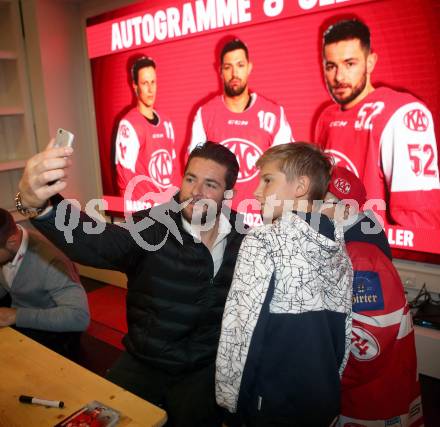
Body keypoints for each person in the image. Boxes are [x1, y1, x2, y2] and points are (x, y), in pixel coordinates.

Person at [17, 141, 245, 427]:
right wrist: (38, 205)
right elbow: (95, 240)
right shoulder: (151, 227)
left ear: (228, 194)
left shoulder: (243, 238)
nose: (196, 192)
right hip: (145, 361)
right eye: (190, 179)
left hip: (203, 370)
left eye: (210, 184)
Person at [216, 143, 353, 426]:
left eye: (267, 180)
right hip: (323, 398)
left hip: (268, 403)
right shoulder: (339, 248)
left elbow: (240, 331)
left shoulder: (263, 241)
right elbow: (344, 334)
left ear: (301, 186)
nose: (255, 191)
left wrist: (229, 405)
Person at [315, 18, 440, 229]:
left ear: (370, 62)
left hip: (373, 253)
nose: (339, 76)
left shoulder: (401, 112)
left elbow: (420, 220)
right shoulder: (326, 117)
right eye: (331, 66)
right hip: (332, 249)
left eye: (350, 64)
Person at [323, 167, 423, 427]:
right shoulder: (346, 247)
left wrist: (317, 381)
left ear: (346, 211)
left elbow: (367, 349)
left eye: (320, 202)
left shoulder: (363, 260)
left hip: (370, 406)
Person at [189, 38, 294, 226]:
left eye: (240, 65)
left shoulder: (274, 114)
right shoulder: (205, 114)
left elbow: (286, 174)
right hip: (216, 220)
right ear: (220, 70)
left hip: (259, 222)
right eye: (228, 67)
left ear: (249, 67)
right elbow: (195, 171)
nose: (234, 73)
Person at [0, 208, 90, 359]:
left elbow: (79, 317)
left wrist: (15, 316)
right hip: (22, 321)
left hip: (52, 335)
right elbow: (6, 283)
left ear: (12, 242)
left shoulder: (51, 260)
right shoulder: (7, 249)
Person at [114, 56, 177, 203]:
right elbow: (124, 179)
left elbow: (173, 170)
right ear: (135, 86)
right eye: (144, 83)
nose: (150, 89)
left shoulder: (166, 122)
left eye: (153, 82)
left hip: (168, 210)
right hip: (145, 213)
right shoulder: (129, 124)